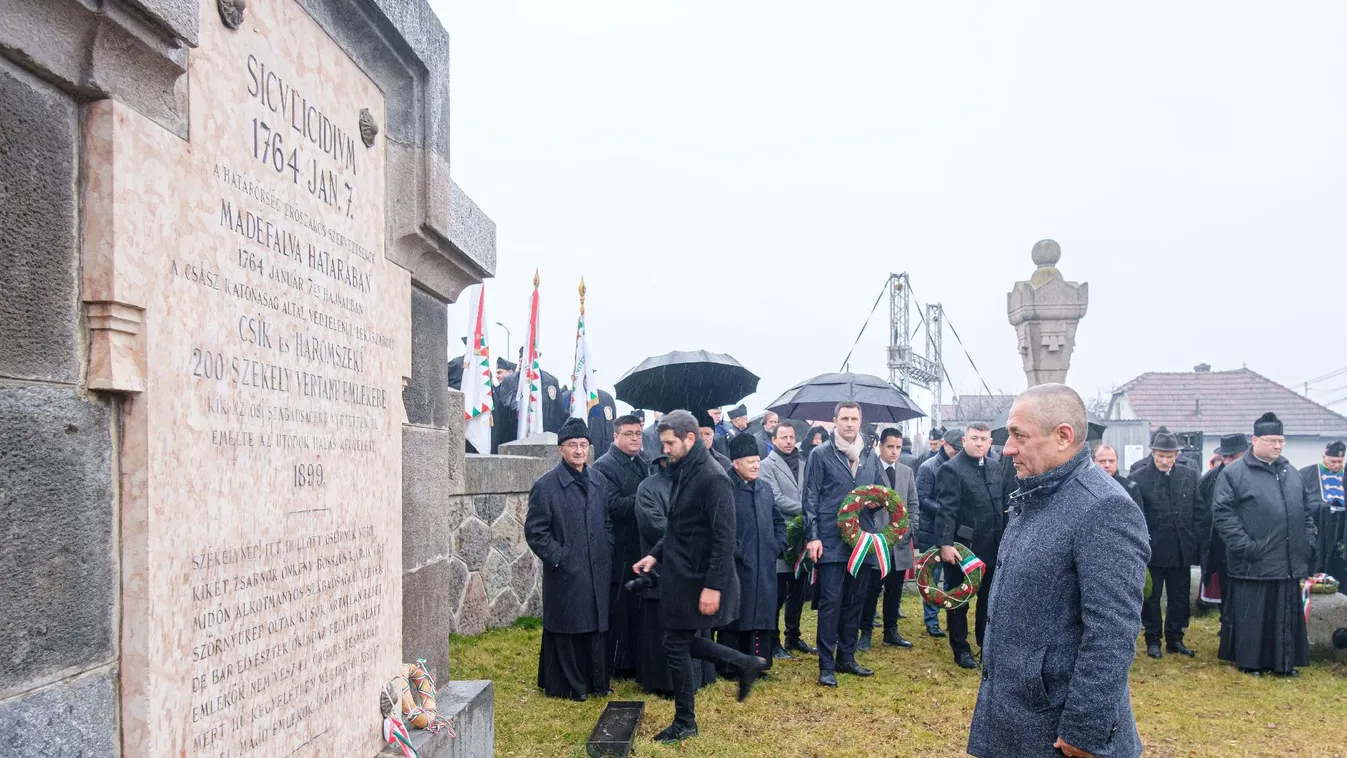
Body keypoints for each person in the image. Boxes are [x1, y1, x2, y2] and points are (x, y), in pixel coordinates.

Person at [968, 384, 1149, 758]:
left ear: (1063, 436)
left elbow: (1112, 631)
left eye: (1019, 435)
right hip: (1017, 715)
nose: (1007, 448)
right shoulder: (1038, 494)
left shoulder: (1104, 509)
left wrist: (1084, 729)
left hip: (1058, 733)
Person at [633, 411, 769, 744]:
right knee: (676, 642)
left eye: (669, 443)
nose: (664, 449)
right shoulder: (683, 470)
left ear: (689, 439)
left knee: (676, 644)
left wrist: (713, 586)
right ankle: (743, 663)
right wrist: (655, 554)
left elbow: (724, 537)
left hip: (698, 578)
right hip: (681, 573)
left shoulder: (713, 477)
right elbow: (679, 525)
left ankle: (686, 722)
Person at [1212, 412, 1317, 676]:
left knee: (1284, 615)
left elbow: (1306, 513)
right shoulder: (1234, 473)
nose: (1278, 445)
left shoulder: (1291, 473)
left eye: (1281, 440)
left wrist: (1307, 542)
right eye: (1272, 440)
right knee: (1254, 617)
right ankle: (1250, 663)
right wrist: (1246, 546)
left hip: (1288, 559)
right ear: (1255, 440)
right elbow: (1223, 513)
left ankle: (1283, 663)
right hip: (1252, 560)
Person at [524, 418, 614, 701]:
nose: (578, 451)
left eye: (583, 445)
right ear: (560, 448)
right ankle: (570, 686)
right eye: (572, 445)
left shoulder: (599, 481)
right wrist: (561, 558)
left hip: (596, 567)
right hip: (566, 571)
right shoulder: (546, 486)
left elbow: (607, 521)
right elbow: (536, 532)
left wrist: (605, 547)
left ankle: (596, 682)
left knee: (593, 625)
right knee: (569, 626)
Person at [802, 401, 883, 687]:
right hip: (831, 538)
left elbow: (883, 492)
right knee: (831, 601)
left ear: (861, 422)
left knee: (855, 600)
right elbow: (810, 498)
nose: (850, 424)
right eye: (845, 419)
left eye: (854, 419)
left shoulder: (870, 456)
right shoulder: (820, 454)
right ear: (834, 421)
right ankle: (826, 665)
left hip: (861, 539)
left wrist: (875, 504)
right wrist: (813, 536)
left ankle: (846, 658)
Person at [633, 453, 717, 696]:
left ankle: (700, 676)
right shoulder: (647, 489)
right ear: (662, 461)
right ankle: (665, 684)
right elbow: (654, 526)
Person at [932, 423, 1005, 669]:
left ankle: (986, 645)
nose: (979, 443)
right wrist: (945, 544)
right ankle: (960, 648)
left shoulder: (996, 467)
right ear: (964, 440)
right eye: (974, 438)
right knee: (959, 599)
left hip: (993, 546)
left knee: (988, 599)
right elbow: (946, 510)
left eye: (984, 439)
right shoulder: (951, 469)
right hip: (962, 548)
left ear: (990, 441)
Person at [1130, 427, 1204, 660]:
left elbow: (1199, 511)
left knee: (1180, 596)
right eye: (1160, 456)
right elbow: (1137, 517)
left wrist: (1195, 541)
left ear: (1176, 456)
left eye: (1169, 457)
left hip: (1182, 548)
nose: (1164, 461)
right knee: (1152, 597)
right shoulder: (1138, 479)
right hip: (1153, 550)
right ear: (1153, 453)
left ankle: (1175, 638)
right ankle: (1153, 639)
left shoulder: (1190, 475)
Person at [719, 434, 787, 667]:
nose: (757, 465)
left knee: (763, 613)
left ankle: (760, 662)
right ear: (736, 463)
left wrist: (778, 545)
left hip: (765, 563)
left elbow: (778, 521)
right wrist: (736, 551)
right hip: (737, 565)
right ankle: (732, 664)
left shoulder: (765, 489)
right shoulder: (724, 487)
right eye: (750, 461)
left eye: (758, 460)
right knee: (737, 615)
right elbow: (719, 525)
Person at [593, 415, 651, 680]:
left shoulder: (643, 462)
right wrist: (645, 496)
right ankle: (619, 663)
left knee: (638, 608)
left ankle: (638, 658)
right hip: (619, 550)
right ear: (615, 436)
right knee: (620, 610)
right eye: (628, 434)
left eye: (638, 433)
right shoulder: (604, 466)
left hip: (641, 548)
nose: (635, 438)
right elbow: (612, 506)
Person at [860, 427, 919, 651]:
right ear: (880, 446)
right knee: (872, 588)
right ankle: (865, 631)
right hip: (877, 542)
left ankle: (891, 630)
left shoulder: (906, 472)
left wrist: (910, 528)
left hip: (900, 541)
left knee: (895, 588)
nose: (894, 452)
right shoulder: (870, 469)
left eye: (898, 447)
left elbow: (913, 503)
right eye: (890, 447)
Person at [760, 421, 815, 658]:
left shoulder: (805, 464)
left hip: (804, 537)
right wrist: (807, 509)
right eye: (783, 437)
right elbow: (776, 498)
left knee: (799, 590)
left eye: (791, 437)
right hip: (782, 534)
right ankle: (772, 640)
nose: (788, 441)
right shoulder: (766, 465)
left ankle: (793, 636)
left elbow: (811, 492)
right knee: (778, 592)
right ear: (774, 440)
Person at [914, 429, 961, 639]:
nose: (958, 453)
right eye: (955, 449)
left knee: (953, 575)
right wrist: (945, 510)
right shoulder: (928, 467)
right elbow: (922, 498)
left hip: (953, 530)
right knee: (931, 576)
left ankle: (953, 617)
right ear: (945, 444)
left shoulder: (960, 466)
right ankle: (931, 621)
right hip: (931, 529)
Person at [1199, 434, 1248, 615]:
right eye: (1225, 457)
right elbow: (1201, 510)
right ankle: (1226, 624)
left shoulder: (1256, 476)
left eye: (1234, 457)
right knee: (1224, 589)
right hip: (1219, 546)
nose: (1228, 461)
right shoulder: (1210, 478)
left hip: (1247, 545)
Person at [1301, 440, 1347, 586]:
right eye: (1333, 461)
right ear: (1324, 457)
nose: (1337, 465)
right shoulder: (1307, 473)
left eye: (1340, 462)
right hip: (1320, 530)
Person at [695, 410, 735, 475]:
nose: (703, 438)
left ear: (713, 434)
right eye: (699, 434)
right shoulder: (681, 461)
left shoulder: (725, 463)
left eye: (707, 434)